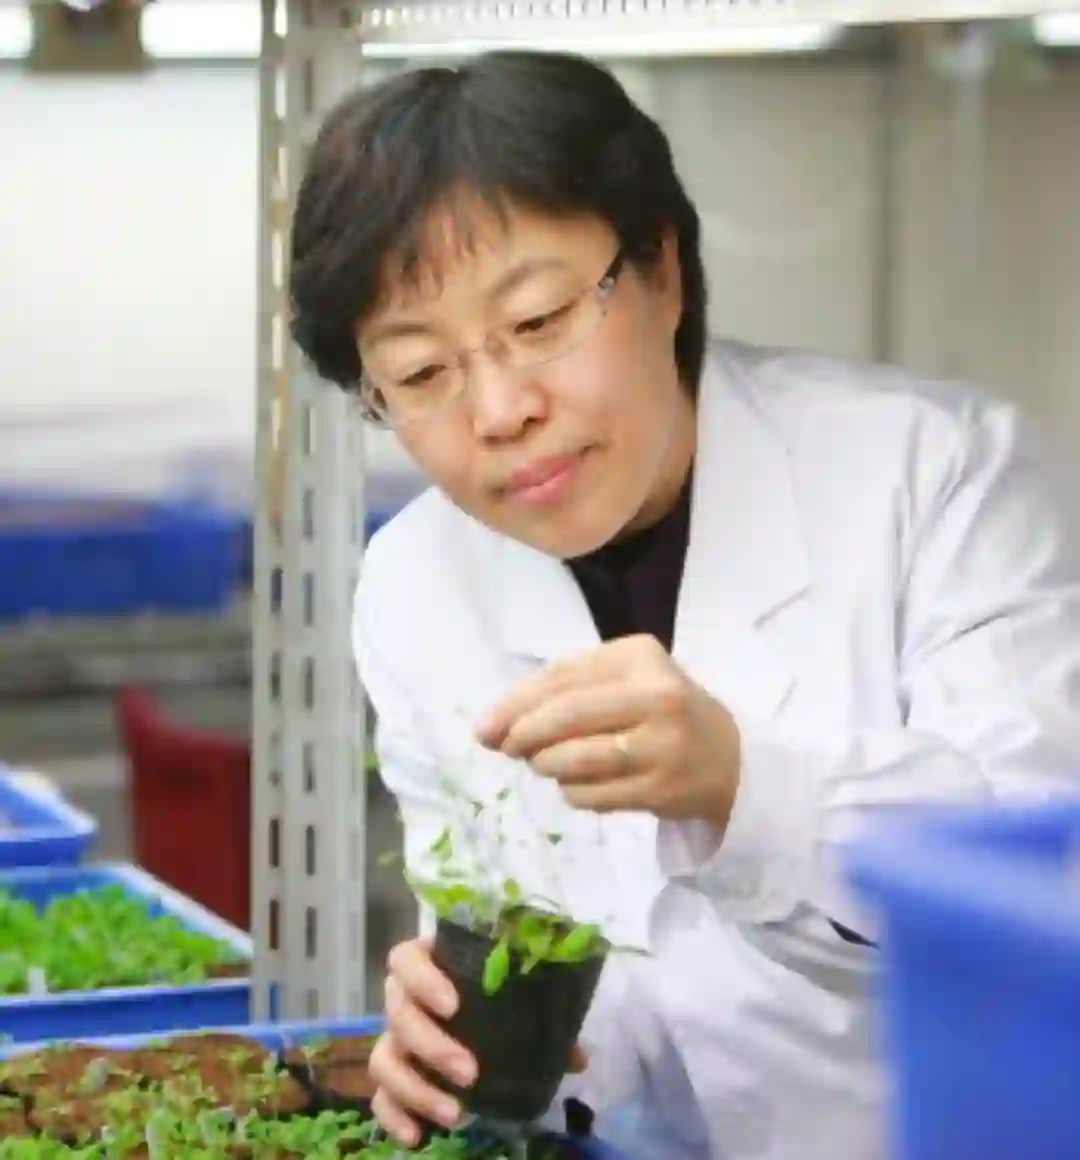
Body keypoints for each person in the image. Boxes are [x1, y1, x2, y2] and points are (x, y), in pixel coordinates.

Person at [288, 50, 1080, 1160]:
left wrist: (744, 785)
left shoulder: (937, 476)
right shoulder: (416, 581)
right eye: (421, 375)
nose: (501, 410)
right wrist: (457, 1045)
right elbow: (498, 927)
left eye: (539, 319)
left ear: (661, 267)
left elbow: (1043, 900)